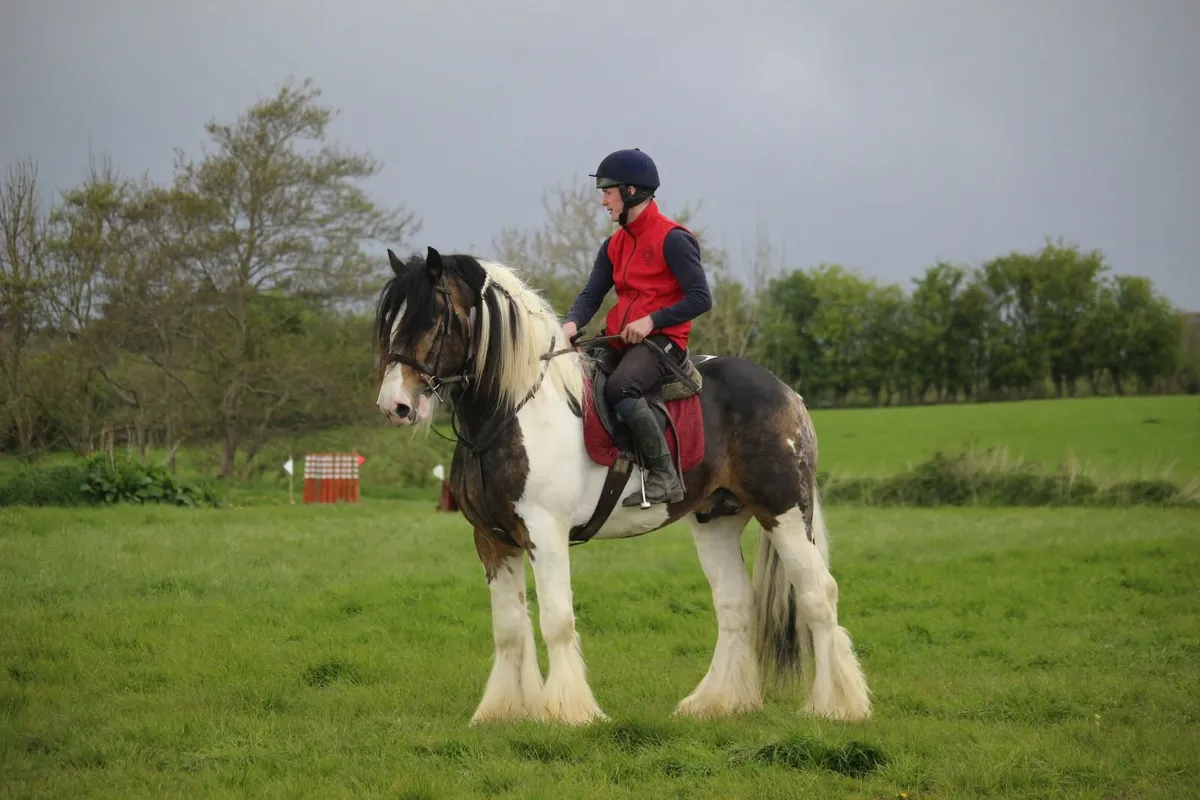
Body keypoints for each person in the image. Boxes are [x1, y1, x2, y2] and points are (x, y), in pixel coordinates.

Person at [561, 148, 713, 507]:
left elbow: (700, 298)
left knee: (621, 389)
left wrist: (652, 321)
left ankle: (665, 476)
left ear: (631, 191)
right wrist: (569, 324)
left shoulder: (673, 238)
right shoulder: (613, 244)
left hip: (664, 341)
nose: (603, 201)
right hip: (622, 339)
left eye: (607, 191)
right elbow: (591, 294)